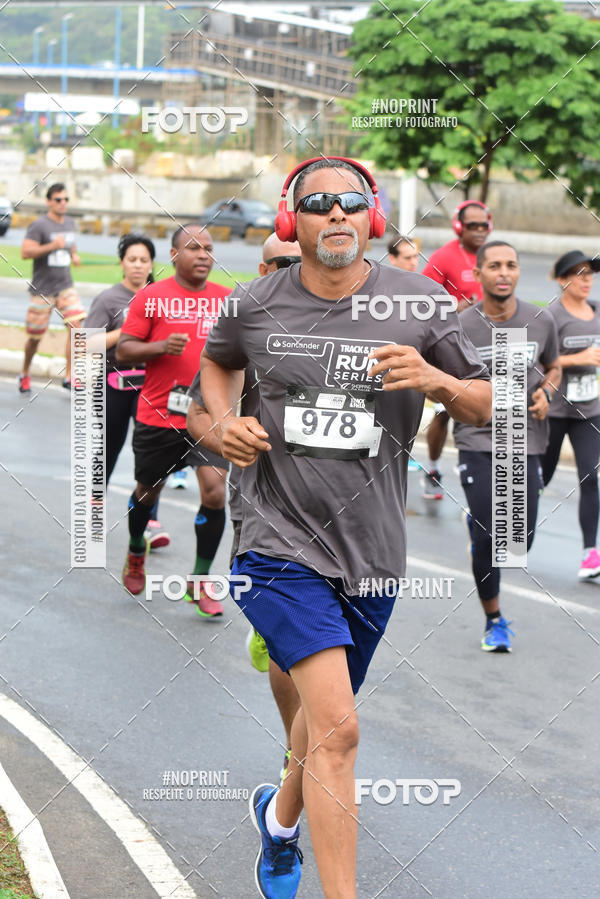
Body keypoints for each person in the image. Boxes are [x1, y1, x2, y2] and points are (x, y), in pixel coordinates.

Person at [200, 157, 491, 898]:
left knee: (321, 724)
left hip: (371, 551)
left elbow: (493, 402)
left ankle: (279, 822)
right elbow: (216, 367)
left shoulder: (422, 303)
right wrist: (224, 422)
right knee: (340, 731)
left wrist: (439, 381)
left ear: (373, 217)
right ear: (290, 220)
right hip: (275, 541)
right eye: (319, 202)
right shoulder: (253, 304)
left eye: (352, 201)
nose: (337, 213)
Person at [187, 231, 302, 782]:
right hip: (265, 503)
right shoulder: (247, 324)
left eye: (301, 262)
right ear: (262, 268)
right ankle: (296, 752)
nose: (294, 272)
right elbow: (197, 414)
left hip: (343, 510)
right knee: (289, 639)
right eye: (282, 263)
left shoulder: (348, 325)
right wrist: (228, 435)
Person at [116, 223, 230, 617]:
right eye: (194, 247)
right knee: (148, 492)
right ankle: (136, 550)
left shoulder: (227, 300)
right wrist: (160, 346)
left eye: (208, 248)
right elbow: (124, 350)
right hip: (160, 415)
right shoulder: (151, 297)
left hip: (209, 416)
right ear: (174, 254)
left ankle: (199, 580)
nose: (203, 255)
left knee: (214, 492)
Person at [453, 241, 560, 652]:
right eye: (494, 265)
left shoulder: (541, 320)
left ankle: (488, 532)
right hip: (477, 437)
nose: (504, 272)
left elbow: (554, 367)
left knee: (518, 542)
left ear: (518, 272)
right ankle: (494, 620)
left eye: (511, 265)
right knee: (487, 533)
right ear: (478, 273)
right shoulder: (461, 325)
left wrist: (545, 393)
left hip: (524, 439)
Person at [83, 233, 169, 550]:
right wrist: (125, 332)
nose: (138, 265)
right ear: (122, 263)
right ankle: (93, 513)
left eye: (144, 260)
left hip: (152, 386)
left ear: (151, 264)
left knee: (152, 453)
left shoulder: (161, 297)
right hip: (115, 386)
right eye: (132, 259)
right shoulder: (108, 299)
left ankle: (150, 521)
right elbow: (88, 343)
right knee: (108, 449)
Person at [421, 201, 493, 499]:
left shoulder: (493, 256)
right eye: (472, 225)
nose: (479, 230)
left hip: (487, 345)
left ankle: (482, 479)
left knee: (485, 410)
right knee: (443, 412)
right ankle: (433, 468)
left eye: (484, 225)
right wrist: (454, 306)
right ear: (459, 227)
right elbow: (420, 299)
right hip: (450, 348)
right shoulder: (444, 257)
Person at [542, 250, 600, 579]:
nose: (587, 280)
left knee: (590, 478)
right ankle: (504, 523)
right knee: (542, 477)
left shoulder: (596, 311)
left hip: (589, 411)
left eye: (590, 274)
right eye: (580, 274)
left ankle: (590, 553)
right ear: (563, 280)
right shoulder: (552, 316)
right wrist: (578, 358)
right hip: (554, 410)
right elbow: (537, 359)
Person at [19, 183, 85, 393]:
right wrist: (51, 246)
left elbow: (70, 245)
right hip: (42, 291)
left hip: (65, 287)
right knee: (34, 337)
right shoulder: (39, 225)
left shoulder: (70, 223)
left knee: (76, 327)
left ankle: (69, 376)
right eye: (58, 199)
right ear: (48, 202)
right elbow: (25, 252)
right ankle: (25, 372)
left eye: (66, 199)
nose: (63, 203)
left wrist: (74, 255)